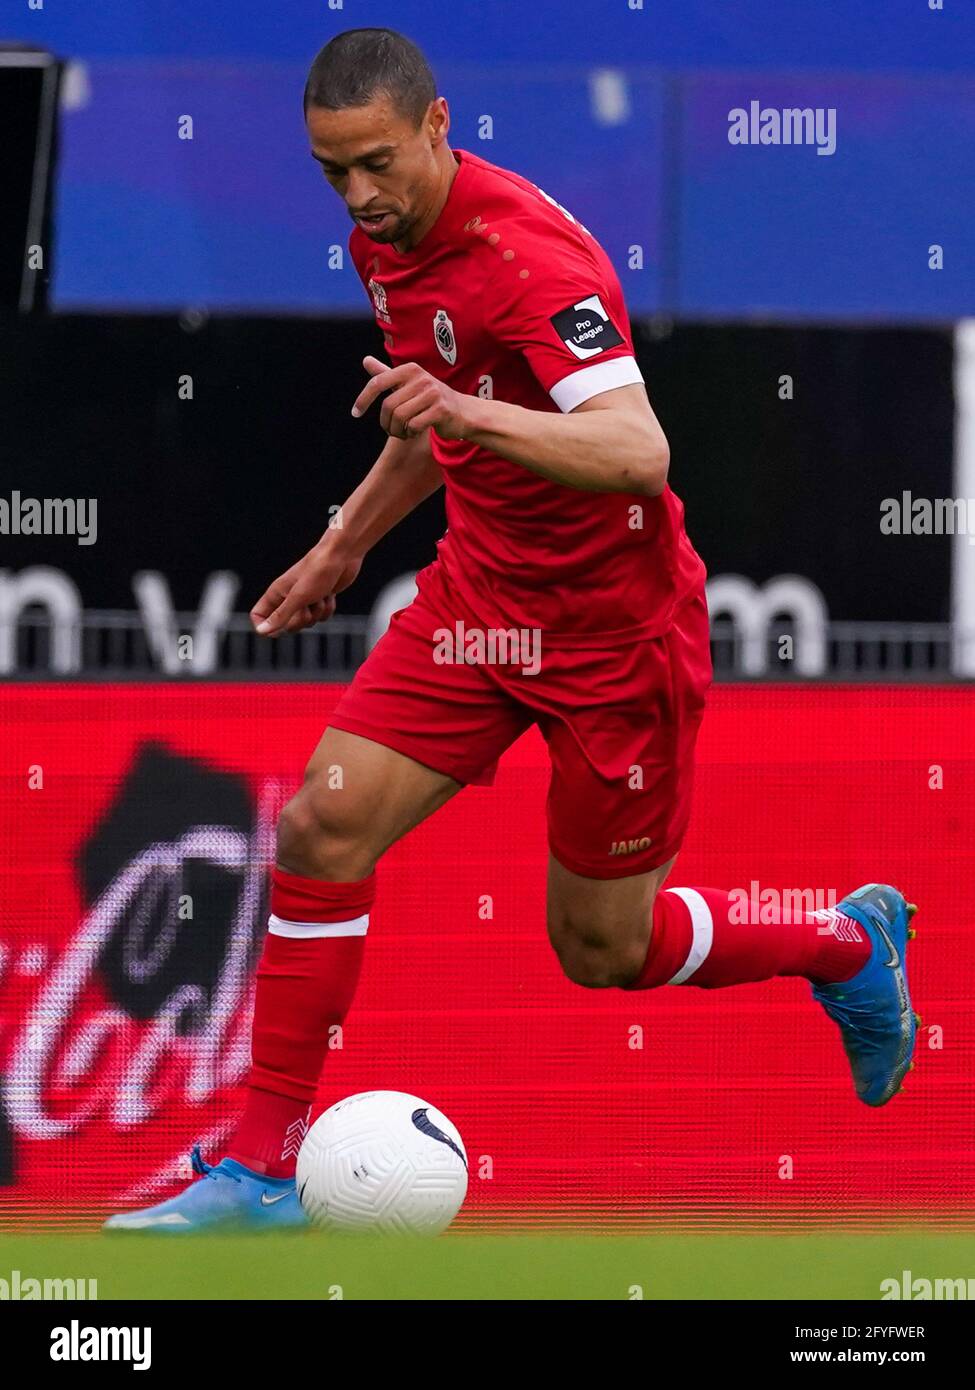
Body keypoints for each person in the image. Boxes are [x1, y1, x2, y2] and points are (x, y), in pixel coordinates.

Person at [105, 28, 918, 1233]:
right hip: (478, 605)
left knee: (601, 950)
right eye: (333, 171)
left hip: (614, 636)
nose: (358, 195)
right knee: (322, 824)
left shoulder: (531, 260)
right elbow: (438, 412)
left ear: (438, 126)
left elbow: (637, 450)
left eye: (377, 162)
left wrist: (465, 413)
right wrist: (344, 544)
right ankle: (261, 1173)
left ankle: (841, 942)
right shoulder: (386, 241)